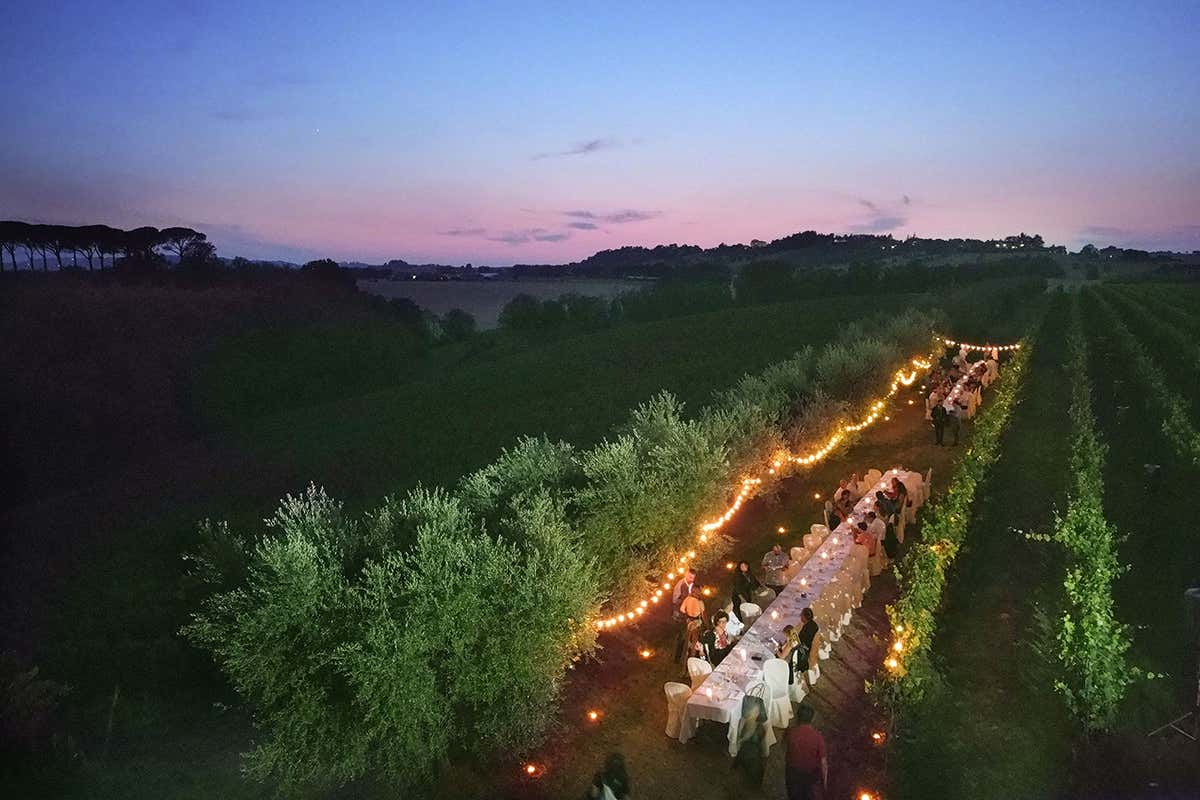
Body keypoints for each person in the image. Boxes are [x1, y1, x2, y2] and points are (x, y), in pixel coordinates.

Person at [785, 705, 827, 800]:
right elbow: (823, 763)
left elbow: (785, 747)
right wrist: (824, 782)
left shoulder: (791, 732)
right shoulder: (817, 737)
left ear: (797, 717)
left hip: (792, 772)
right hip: (809, 775)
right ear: (811, 719)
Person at [676, 594, 706, 661]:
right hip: (696, 622)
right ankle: (693, 656)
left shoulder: (687, 599)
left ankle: (678, 657)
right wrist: (706, 625)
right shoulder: (700, 602)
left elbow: (682, 610)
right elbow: (703, 616)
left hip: (688, 621)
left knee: (683, 639)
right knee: (695, 639)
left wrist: (688, 617)